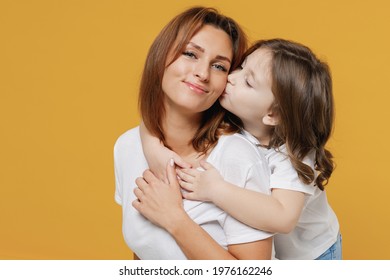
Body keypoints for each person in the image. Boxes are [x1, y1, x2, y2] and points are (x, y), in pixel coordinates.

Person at [139, 39, 341, 260]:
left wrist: (215, 190)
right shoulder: (235, 112)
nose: (232, 78)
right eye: (241, 66)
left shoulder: (294, 153)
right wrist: (154, 149)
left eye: (248, 82)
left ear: (272, 115)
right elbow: (158, 116)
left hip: (312, 255)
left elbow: (283, 218)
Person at [114, 6, 274, 260]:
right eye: (190, 54)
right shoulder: (128, 146)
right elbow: (145, 250)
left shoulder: (236, 156)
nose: (202, 73)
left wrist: (174, 219)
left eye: (219, 66)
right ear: (161, 56)